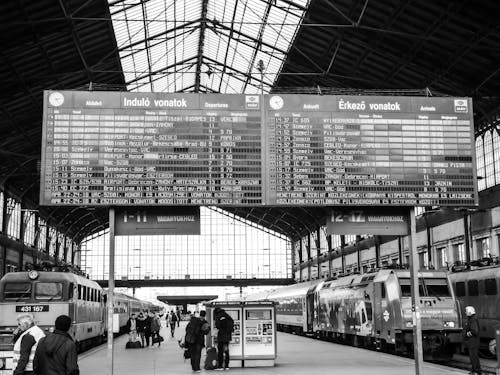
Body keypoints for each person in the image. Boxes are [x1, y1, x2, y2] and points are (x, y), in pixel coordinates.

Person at [463, 306, 481, 375]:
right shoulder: (471, 319)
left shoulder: (473, 320)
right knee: (472, 357)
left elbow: (475, 331)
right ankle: (474, 370)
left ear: (470, 312)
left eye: (466, 311)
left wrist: (467, 334)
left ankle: (477, 371)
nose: (465, 313)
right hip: (471, 342)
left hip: (473, 342)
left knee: (474, 357)